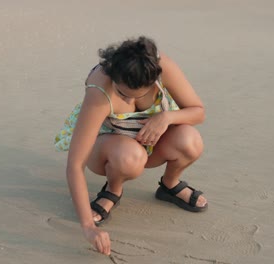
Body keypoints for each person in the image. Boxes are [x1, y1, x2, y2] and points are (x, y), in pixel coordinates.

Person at [54, 36, 208, 256]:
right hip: (109, 148)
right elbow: (75, 165)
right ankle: (112, 190)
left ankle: (169, 185)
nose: (127, 100)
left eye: (137, 95)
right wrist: (88, 227)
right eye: (122, 93)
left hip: (152, 140)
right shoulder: (100, 91)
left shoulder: (161, 67)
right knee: (129, 157)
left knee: (190, 141)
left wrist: (165, 118)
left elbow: (198, 111)